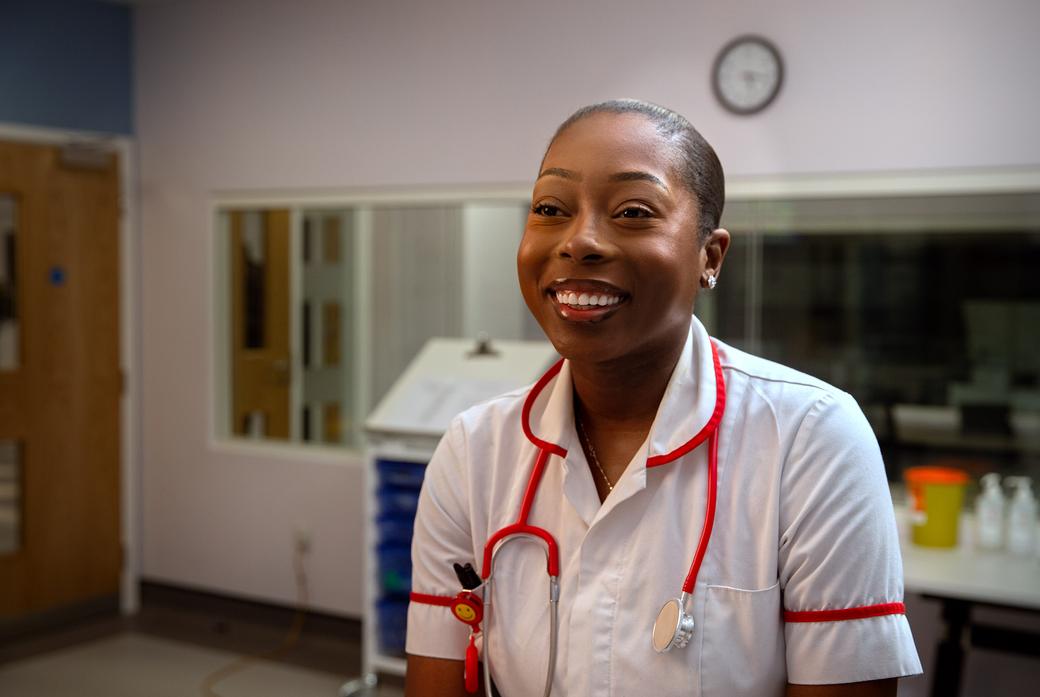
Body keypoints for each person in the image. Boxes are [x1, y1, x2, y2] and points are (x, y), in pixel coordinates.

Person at [404, 100, 922, 696]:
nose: (580, 242)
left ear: (710, 257)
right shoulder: (475, 450)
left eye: (632, 212)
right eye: (550, 209)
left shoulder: (811, 438)